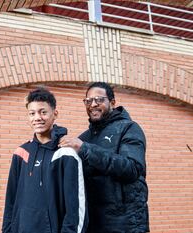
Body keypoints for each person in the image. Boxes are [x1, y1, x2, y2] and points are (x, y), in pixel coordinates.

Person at [59, 82, 149, 233]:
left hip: (126, 224)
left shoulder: (129, 128)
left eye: (99, 100)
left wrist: (85, 149)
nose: (93, 104)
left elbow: (132, 169)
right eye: (88, 101)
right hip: (93, 223)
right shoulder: (84, 138)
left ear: (112, 102)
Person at [2, 87, 87, 233]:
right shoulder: (21, 153)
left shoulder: (66, 153)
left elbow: (76, 209)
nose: (37, 118)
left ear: (55, 114)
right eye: (32, 113)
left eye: (43, 112)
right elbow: (10, 202)